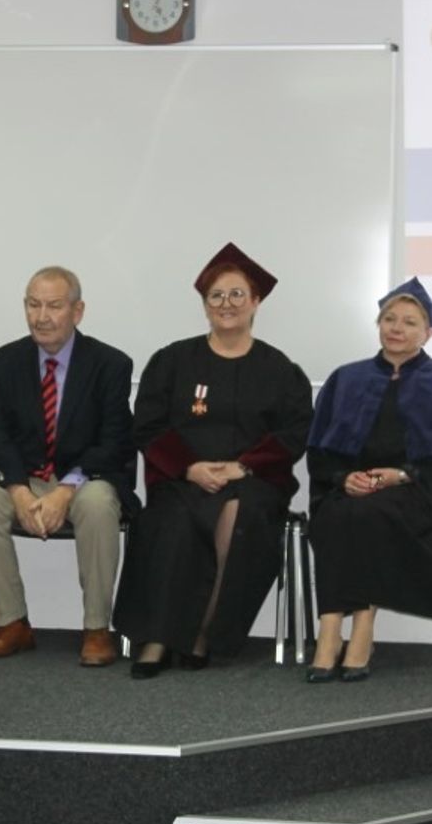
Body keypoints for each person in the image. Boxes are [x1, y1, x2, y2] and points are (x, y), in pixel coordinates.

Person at [113, 242, 312, 679]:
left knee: (237, 513)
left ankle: (203, 632)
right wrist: (190, 467)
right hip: (183, 476)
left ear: (256, 301)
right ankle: (157, 638)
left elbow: (293, 432)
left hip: (254, 480)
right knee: (173, 519)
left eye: (237, 294)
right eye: (216, 296)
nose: (227, 304)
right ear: (205, 305)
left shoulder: (280, 370)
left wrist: (244, 466)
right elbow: (148, 425)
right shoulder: (172, 361)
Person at [304, 277, 432, 683]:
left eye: (409, 322)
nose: (396, 328)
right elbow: (320, 451)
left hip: (420, 490)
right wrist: (344, 478)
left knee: (368, 515)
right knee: (336, 514)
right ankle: (331, 628)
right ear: (378, 324)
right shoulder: (345, 379)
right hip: (351, 487)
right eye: (389, 319)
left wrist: (402, 475)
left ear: (428, 332)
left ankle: (359, 630)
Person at [0, 267, 137, 667]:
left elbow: (115, 441)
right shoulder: (4, 362)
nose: (41, 316)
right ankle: (11, 623)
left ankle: (96, 629)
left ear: (77, 310)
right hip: (24, 478)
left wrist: (65, 489)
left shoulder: (110, 364)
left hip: (86, 479)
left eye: (54, 306)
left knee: (98, 504)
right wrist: (18, 490)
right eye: (33, 304)